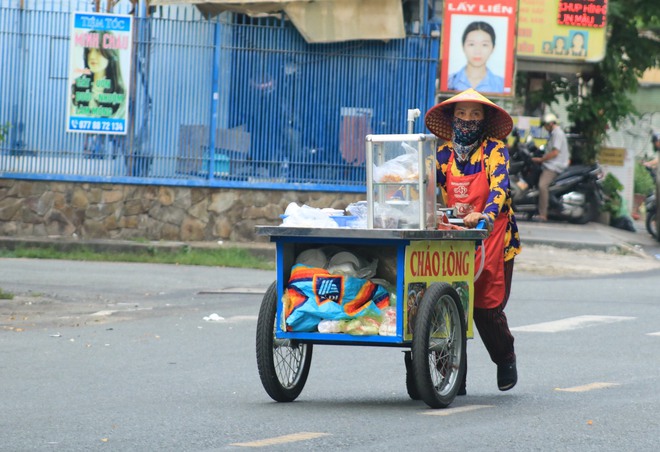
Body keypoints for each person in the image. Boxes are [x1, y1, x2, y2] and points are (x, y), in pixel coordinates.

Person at [424, 88, 521, 394]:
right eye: (462, 115)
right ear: (452, 119)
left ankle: (505, 357)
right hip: (454, 238)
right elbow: (426, 187)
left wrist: (486, 214)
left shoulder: (495, 150)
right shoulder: (442, 155)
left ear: (485, 119)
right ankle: (451, 378)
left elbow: (500, 187)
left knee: (486, 309)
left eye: (475, 115)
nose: (467, 121)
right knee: (444, 302)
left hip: (494, 235)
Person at [70, 30, 126, 119]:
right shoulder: (76, 86)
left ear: (110, 53)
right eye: (89, 50)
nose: (92, 56)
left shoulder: (121, 93)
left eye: (98, 50)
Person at [532, 113, 570, 221]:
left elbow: (555, 152)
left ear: (551, 124)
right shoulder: (554, 133)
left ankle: (543, 214)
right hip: (550, 164)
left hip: (554, 166)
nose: (545, 127)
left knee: (542, 185)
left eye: (546, 125)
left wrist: (541, 160)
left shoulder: (557, 133)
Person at [447, 21, 504, 94]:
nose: (477, 51)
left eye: (484, 45)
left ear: (493, 48)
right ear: (463, 46)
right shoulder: (449, 81)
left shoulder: (501, 84)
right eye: (471, 44)